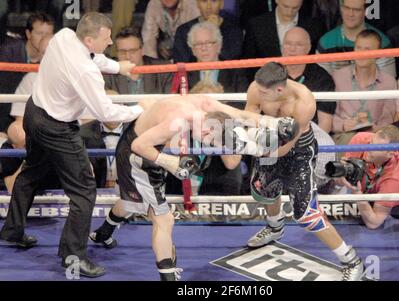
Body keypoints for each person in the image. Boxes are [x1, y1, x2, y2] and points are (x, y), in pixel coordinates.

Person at [89, 94, 300, 280]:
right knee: (164, 218)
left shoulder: (207, 105)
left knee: (132, 200)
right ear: (208, 127)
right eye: (209, 138)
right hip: (136, 153)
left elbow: (238, 114)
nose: (206, 143)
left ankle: (103, 233)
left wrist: (273, 122)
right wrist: (170, 162)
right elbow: (138, 146)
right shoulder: (178, 121)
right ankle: (168, 277)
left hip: (149, 144)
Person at [0, 12, 143, 278]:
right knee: (84, 190)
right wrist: (140, 108)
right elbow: (106, 113)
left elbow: (92, 55)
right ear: (89, 39)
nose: (110, 40)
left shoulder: (65, 36)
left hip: (35, 112)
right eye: (106, 37)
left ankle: (12, 230)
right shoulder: (86, 72)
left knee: (31, 172)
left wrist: (117, 66)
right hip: (56, 127)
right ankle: (72, 256)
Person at [244, 62, 365, 281]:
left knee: (306, 213)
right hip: (270, 141)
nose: (258, 92)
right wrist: (249, 136)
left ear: (279, 89)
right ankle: (275, 228)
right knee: (266, 190)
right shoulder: (257, 87)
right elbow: (249, 115)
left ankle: (351, 260)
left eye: (263, 92)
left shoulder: (303, 101)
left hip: (297, 150)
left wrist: (256, 149)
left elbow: (287, 146)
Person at [339, 125, 399, 229]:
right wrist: (341, 175)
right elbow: (343, 178)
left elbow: (373, 223)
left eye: (376, 147)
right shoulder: (361, 139)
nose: (369, 148)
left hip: (383, 206)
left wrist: (357, 193)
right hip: (356, 195)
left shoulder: (394, 176)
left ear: (389, 154)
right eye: (371, 142)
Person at [316, 0, 396, 77]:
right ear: (341, 8)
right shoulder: (326, 42)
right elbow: (323, 82)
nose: (351, 14)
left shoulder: (382, 42)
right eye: (347, 8)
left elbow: (387, 83)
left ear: (365, 11)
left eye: (356, 10)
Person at [282, 26, 336, 133]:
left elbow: (325, 124)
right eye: (288, 44)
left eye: (298, 44)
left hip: (311, 136)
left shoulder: (322, 78)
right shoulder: (270, 73)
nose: (292, 49)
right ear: (282, 47)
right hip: (276, 136)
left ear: (308, 48)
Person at [173, 0, 243, 63]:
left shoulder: (234, 29)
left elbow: (233, 60)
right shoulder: (183, 30)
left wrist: (215, 31)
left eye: (214, 1)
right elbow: (181, 63)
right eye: (204, 1)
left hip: (225, 76)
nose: (209, 7)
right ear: (198, 4)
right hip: (194, 76)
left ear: (221, 4)